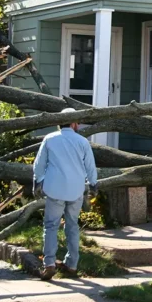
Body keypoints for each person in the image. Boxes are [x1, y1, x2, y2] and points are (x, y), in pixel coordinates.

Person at [33, 107, 97, 280]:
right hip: (76, 189)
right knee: (72, 226)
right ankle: (72, 264)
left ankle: (49, 263)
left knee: (51, 226)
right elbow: (90, 166)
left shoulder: (50, 139)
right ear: (74, 123)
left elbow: (39, 164)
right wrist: (93, 184)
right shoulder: (82, 142)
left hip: (55, 189)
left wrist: (37, 181)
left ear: (59, 124)